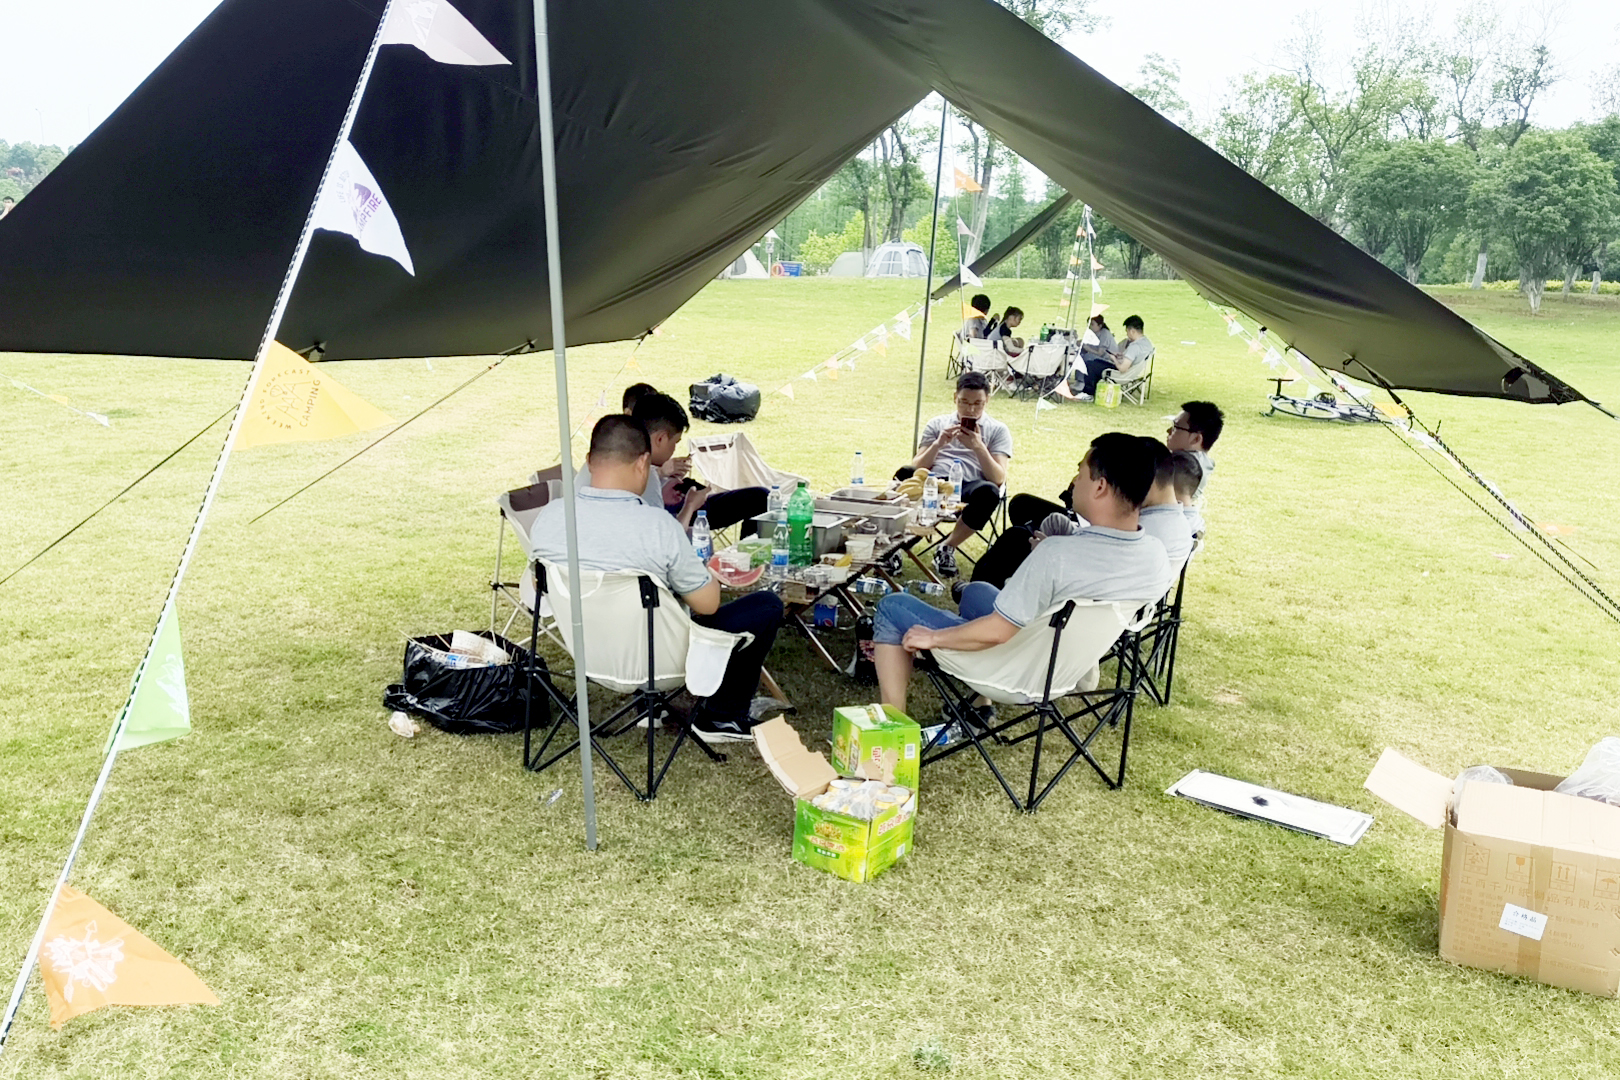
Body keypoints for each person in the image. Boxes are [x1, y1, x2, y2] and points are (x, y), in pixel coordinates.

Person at [873, 433, 1171, 715]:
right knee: (976, 592)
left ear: (1100, 487)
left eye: (1080, 473)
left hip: (1012, 671)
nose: (1074, 481)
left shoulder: (1057, 554)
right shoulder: (1156, 556)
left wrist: (934, 637)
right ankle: (977, 701)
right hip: (1063, 668)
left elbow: (998, 632)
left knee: (892, 606)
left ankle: (891, 729)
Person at [533, 415, 783, 741]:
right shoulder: (657, 527)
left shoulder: (549, 518)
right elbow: (708, 605)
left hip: (588, 656)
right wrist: (712, 573)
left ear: (589, 461)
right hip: (658, 663)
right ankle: (721, 717)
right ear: (643, 463)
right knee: (766, 605)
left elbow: (539, 587)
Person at [897, 371, 1012, 578]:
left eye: (978, 404)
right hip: (934, 480)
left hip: (970, 484)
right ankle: (897, 545)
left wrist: (978, 447)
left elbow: (998, 477)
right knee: (904, 474)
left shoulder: (997, 430)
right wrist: (938, 444)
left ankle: (947, 546)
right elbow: (917, 466)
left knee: (989, 492)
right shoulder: (937, 424)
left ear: (987, 400)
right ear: (955, 398)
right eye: (964, 402)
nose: (971, 410)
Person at [1074, 314, 1153, 400]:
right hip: (1131, 373)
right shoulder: (1146, 343)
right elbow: (1132, 358)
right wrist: (1121, 356)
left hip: (1121, 374)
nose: (1127, 334)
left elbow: (1122, 369)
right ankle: (1094, 390)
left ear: (1132, 331)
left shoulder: (1134, 347)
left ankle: (1088, 393)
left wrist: (1114, 358)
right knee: (1096, 362)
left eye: (1127, 331)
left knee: (1091, 365)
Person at [1166, 400, 1222, 503]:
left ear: (1196, 439)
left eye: (1176, 427)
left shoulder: (1182, 468)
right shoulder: (1203, 462)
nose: (1169, 431)